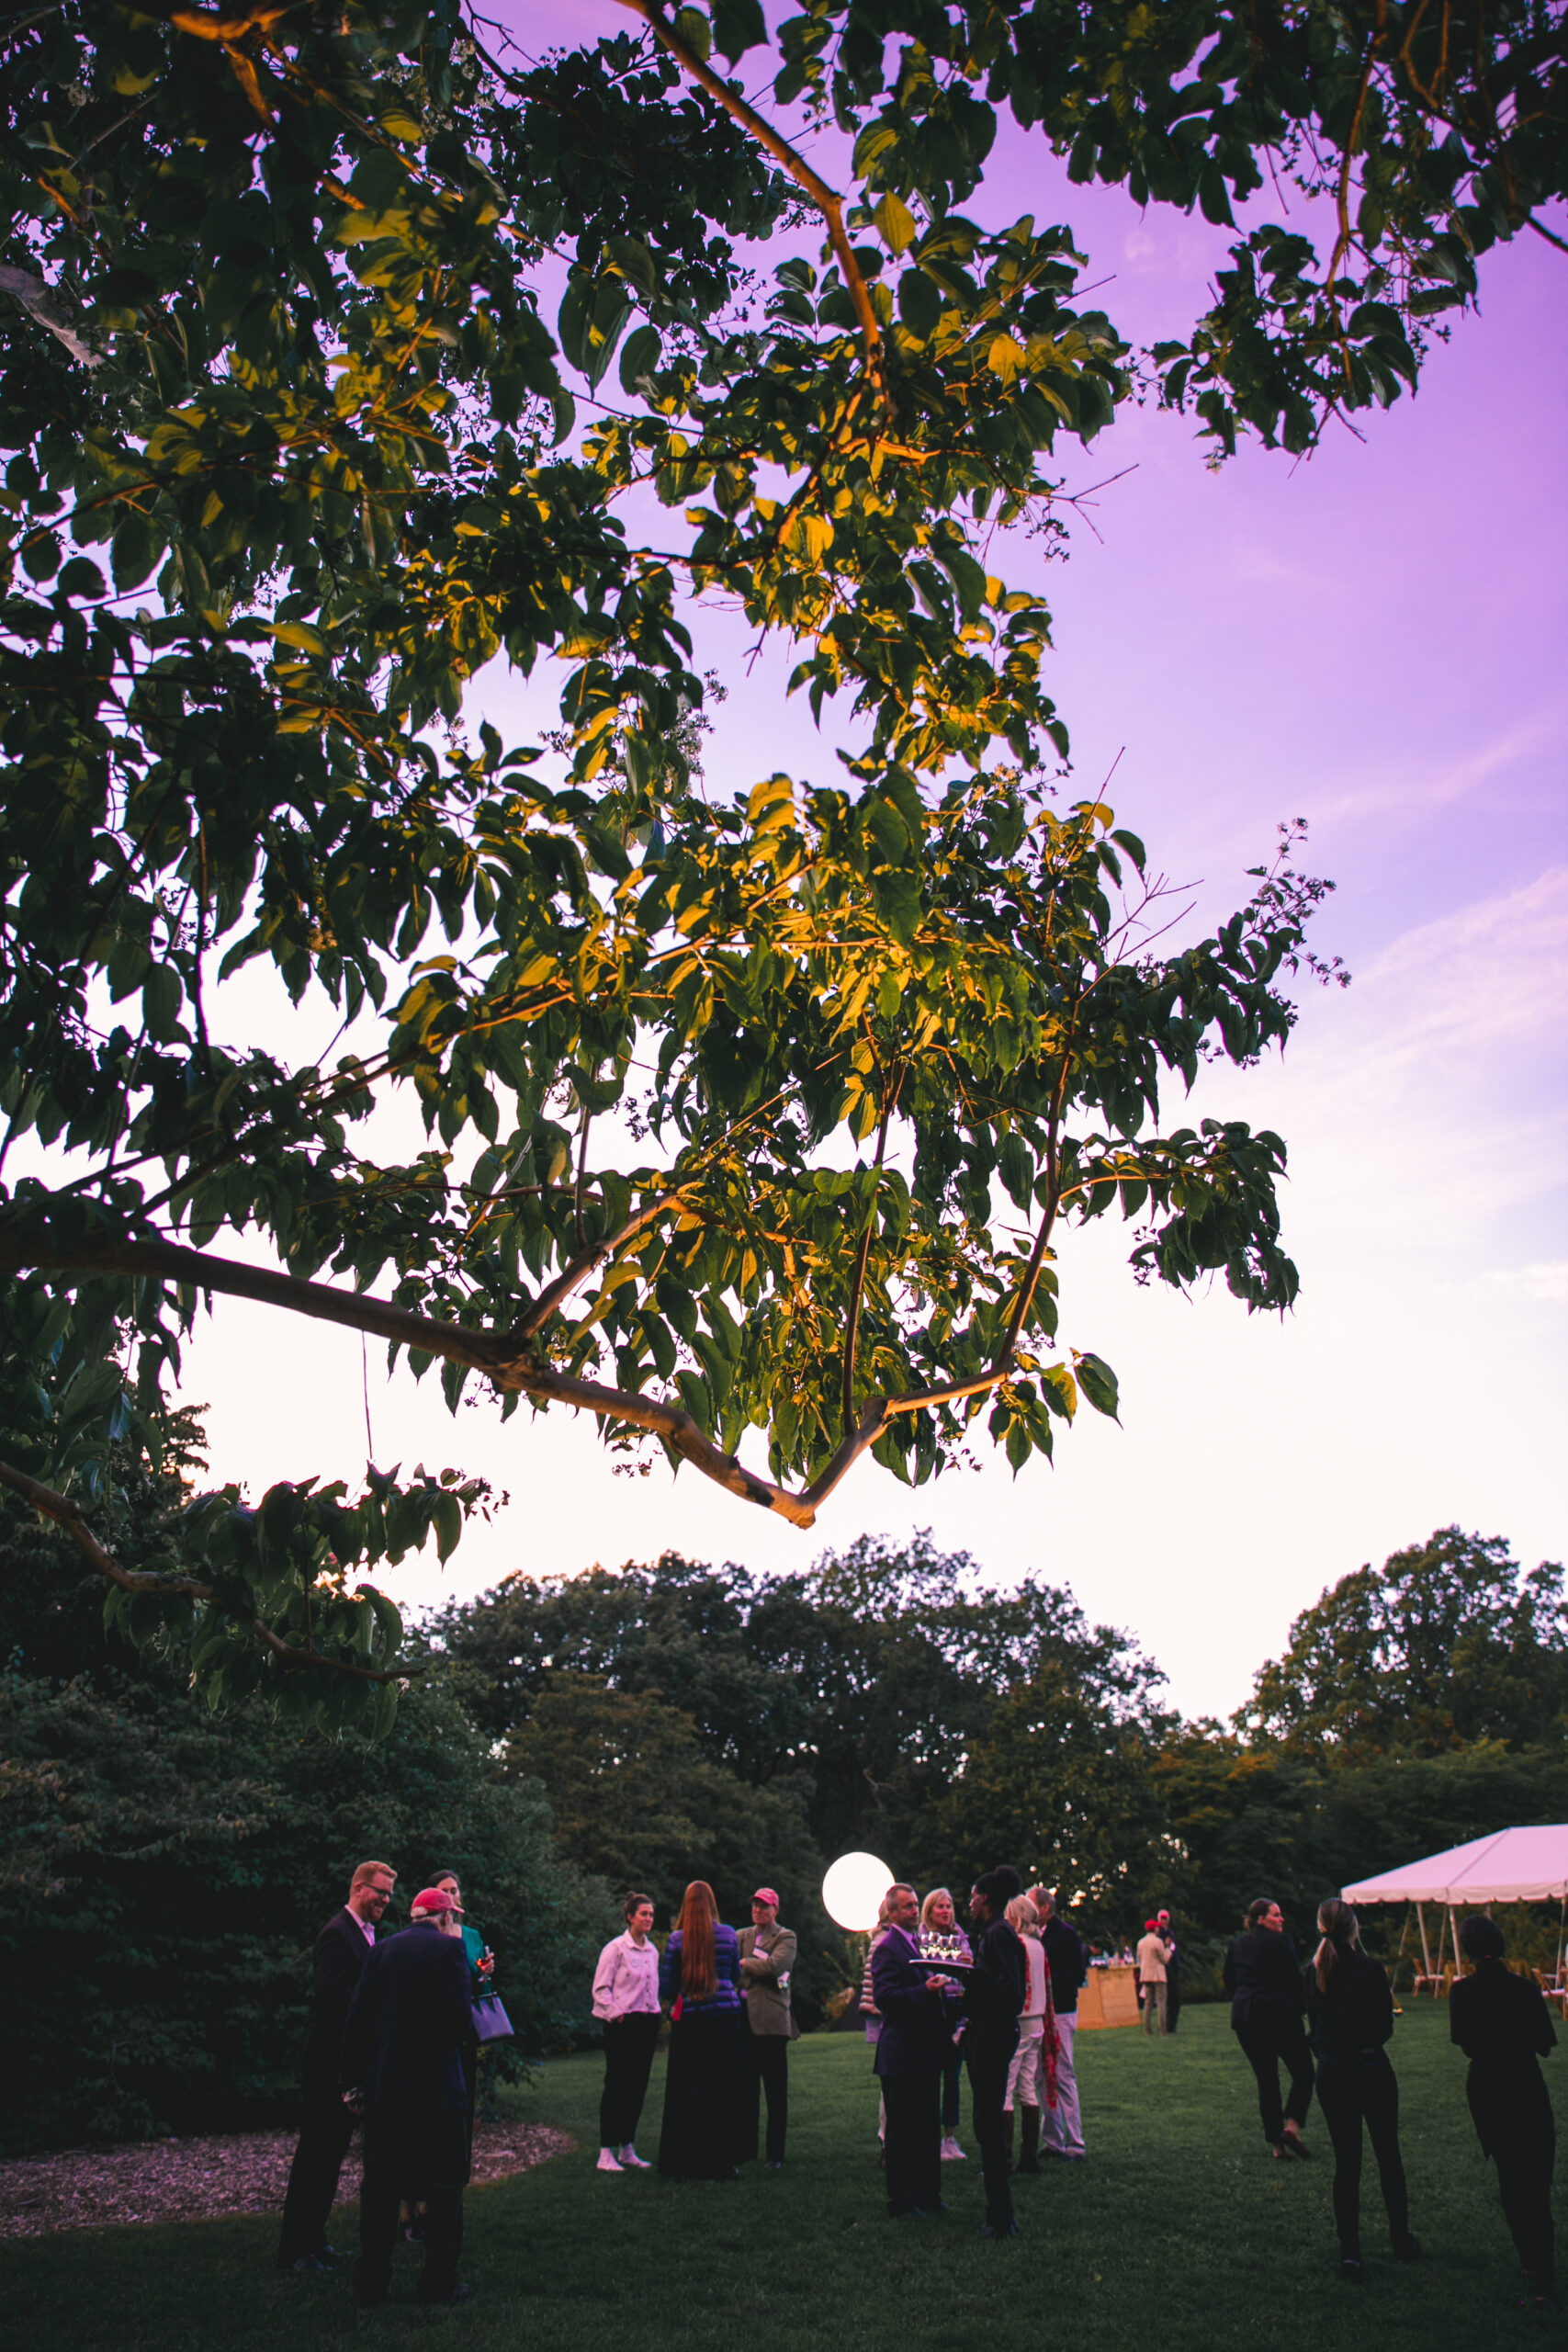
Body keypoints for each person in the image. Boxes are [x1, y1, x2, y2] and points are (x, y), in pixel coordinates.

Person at [342, 1884, 476, 2309]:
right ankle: (438, 2283)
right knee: (445, 2184)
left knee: (379, 2187)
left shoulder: (381, 1951)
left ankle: (372, 2282)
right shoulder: (450, 1952)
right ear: (445, 1918)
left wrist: (355, 2081)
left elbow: (357, 2018)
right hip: (438, 2090)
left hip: (388, 2090)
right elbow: (460, 2022)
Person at [276, 1858, 397, 2272]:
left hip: (349, 2064)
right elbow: (332, 1996)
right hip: (327, 2064)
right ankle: (294, 2250)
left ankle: (316, 2241)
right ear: (359, 1888)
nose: (385, 1899)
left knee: (331, 2158)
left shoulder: (367, 1934)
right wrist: (376, 2007)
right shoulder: (336, 1934)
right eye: (380, 1891)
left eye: (389, 1895)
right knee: (314, 2157)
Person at [1303, 1897, 1420, 2284]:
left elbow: (1315, 2026)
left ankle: (1350, 2254)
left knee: (1346, 2163)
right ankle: (1401, 2239)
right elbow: (1384, 2028)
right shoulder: (1370, 1969)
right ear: (1355, 1929)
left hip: (1334, 2073)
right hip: (1370, 2069)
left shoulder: (1312, 1971)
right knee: (1389, 2156)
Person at [1450, 1913, 1558, 2311]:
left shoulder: (1462, 1992)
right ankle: (1542, 2278)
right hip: (1526, 2087)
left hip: (1488, 2090)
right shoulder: (1526, 1990)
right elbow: (1545, 2045)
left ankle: (1531, 2263)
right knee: (1536, 2184)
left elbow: (1465, 2043)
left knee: (1511, 2179)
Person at [871, 1881, 964, 2219]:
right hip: (901, 2053)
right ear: (891, 1912)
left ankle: (929, 2196)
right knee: (901, 2132)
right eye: (907, 1906)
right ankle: (901, 2200)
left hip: (925, 2050)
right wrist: (924, 1990)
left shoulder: (918, 1945)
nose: (914, 1910)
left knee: (927, 2128)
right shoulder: (887, 1948)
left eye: (914, 1905)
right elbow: (885, 1999)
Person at [657, 1880, 744, 2180]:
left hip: (692, 2020)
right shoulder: (729, 1934)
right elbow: (734, 1974)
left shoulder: (677, 1940)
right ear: (712, 1904)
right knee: (723, 2088)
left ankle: (686, 2160)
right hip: (724, 2018)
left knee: (689, 2090)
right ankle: (723, 2160)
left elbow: (667, 1986)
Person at [1224, 1895, 1314, 2160]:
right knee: (1304, 2072)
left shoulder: (1237, 1945)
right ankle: (1292, 2128)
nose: (1281, 1919)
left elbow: (1229, 1979)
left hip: (1247, 2018)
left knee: (1267, 2081)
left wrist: (1242, 1997)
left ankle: (1278, 2147)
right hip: (1278, 2015)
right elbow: (1293, 1979)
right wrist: (1303, 2009)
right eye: (1276, 1915)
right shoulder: (1281, 1942)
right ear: (1260, 1919)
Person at [964, 1868, 1027, 2238]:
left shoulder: (999, 1934)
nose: (968, 1903)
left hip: (994, 2036)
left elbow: (1010, 1992)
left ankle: (1001, 2218)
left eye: (972, 1896)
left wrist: (970, 1977)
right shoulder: (990, 1934)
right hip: (984, 2033)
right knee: (985, 2124)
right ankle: (998, 2213)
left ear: (985, 1897)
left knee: (989, 2125)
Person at [592, 1893, 660, 2174]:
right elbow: (600, 1988)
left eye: (651, 1914)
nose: (648, 1919)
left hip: (647, 2023)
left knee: (637, 2087)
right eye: (643, 1913)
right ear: (630, 1916)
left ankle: (627, 2147)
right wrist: (616, 2014)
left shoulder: (652, 1951)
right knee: (617, 2085)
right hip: (622, 2025)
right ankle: (605, 2152)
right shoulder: (616, 1948)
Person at [739, 1885, 798, 2167]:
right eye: (755, 1905)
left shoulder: (786, 1936)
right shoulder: (741, 1935)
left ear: (776, 1910)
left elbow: (776, 1968)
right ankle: (747, 2150)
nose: (758, 1910)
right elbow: (729, 1969)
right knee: (746, 2090)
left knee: (775, 2093)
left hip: (773, 2022)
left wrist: (745, 1964)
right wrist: (752, 1967)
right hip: (744, 2022)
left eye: (764, 1906)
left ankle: (776, 2155)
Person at [1030, 1887, 1088, 2161]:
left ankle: (1075, 2143)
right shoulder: (1032, 1936)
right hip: (1040, 2013)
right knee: (1042, 2076)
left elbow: (1076, 1973)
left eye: (1030, 1906)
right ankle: (1053, 2140)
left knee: (1062, 2073)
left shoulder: (1064, 1934)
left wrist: (1046, 1984)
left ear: (1043, 1908)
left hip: (1061, 2011)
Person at [919, 1887, 972, 2162]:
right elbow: (926, 1969)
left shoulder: (960, 1937)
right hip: (931, 2015)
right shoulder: (923, 1937)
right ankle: (927, 2136)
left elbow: (966, 1972)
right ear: (929, 1911)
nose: (945, 1911)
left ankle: (949, 2137)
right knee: (930, 2078)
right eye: (940, 1906)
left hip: (956, 2015)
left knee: (952, 2078)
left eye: (949, 1906)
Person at [1003, 1894, 1054, 2177]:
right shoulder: (1038, 1945)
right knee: (1027, 2087)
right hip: (1037, 2018)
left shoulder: (1018, 1944)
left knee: (1006, 2088)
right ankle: (1029, 2157)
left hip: (1019, 2018)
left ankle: (1005, 2158)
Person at [1136, 1916, 1170, 2035]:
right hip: (1158, 1975)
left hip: (1146, 1975)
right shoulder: (1158, 1942)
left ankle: (1147, 2030)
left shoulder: (1140, 1942)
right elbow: (1164, 1959)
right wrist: (1169, 1949)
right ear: (1154, 1929)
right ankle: (1162, 2030)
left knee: (1148, 2003)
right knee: (1161, 2003)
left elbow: (1140, 1958)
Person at [1158, 1907, 1182, 2033]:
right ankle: (1166, 2025)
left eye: (1165, 1919)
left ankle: (1172, 2026)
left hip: (1174, 1966)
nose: (1164, 1921)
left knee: (1175, 1999)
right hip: (1165, 1968)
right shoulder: (1159, 1934)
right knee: (1167, 1999)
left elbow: (1175, 1949)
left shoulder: (1171, 1933)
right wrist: (1166, 1945)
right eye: (1161, 1919)